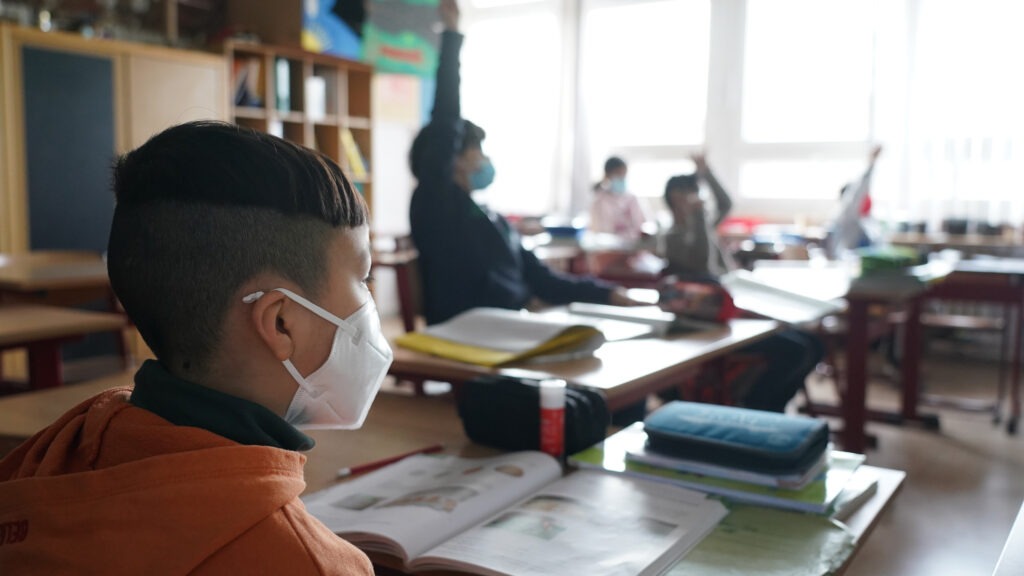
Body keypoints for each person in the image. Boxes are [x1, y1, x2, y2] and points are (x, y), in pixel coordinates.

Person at [0, 122, 388, 574]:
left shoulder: (52, 455)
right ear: (280, 322)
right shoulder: (309, 562)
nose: (370, 300)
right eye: (362, 277)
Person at [409, 0, 639, 326]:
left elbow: (544, 280)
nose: (486, 158)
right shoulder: (434, 201)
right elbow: (446, 120)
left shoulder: (491, 219)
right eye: (479, 149)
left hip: (514, 326)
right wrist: (451, 35)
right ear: (454, 158)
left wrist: (607, 294)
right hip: (473, 333)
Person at [660, 153, 824, 413]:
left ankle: (773, 406)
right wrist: (699, 218)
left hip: (739, 306)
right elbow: (702, 262)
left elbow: (725, 203)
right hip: (718, 316)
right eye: (686, 194)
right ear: (673, 199)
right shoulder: (672, 236)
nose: (694, 199)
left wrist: (706, 172)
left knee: (815, 344)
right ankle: (759, 405)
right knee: (795, 350)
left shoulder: (703, 223)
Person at [827, 145, 884, 258]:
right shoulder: (848, 211)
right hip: (849, 259)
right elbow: (859, 190)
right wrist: (871, 163)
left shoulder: (867, 219)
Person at [589, 156, 647, 241]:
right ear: (607, 175)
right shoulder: (599, 201)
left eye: (624, 175)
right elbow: (597, 231)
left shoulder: (632, 198)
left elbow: (641, 226)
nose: (622, 178)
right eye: (618, 174)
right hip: (606, 249)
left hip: (633, 248)